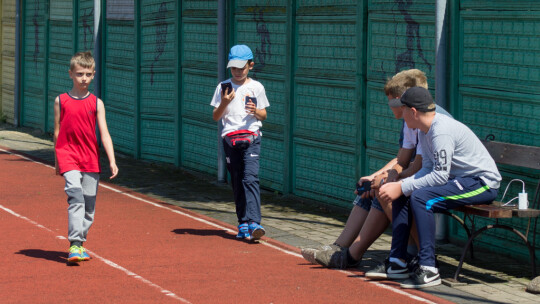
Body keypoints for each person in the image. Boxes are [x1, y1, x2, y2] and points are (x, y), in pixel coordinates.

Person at [303, 69, 443, 268]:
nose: (389, 106)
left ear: (402, 102)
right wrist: (376, 176)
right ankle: (339, 247)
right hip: (423, 175)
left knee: (384, 191)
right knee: (371, 187)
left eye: (392, 101)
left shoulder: (424, 118)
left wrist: (388, 179)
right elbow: (402, 158)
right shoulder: (409, 120)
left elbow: (421, 165)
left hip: (440, 180)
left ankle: (418, 254)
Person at [367, 86, 501, 288]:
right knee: (405, 194)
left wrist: (402, 186)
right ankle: (397, 262)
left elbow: (439, 176)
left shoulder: (441, 131)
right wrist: (401, 185)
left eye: (403, 109)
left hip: (482, 183)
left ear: (412, 112)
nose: (401, 114)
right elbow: (427, 169)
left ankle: (429, 268)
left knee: (421, 197)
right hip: (459, 180)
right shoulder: (424, 130)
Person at [54, 51, 119, 263]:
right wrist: (57, 161)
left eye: (88, 74)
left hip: (90, 159)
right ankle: (74, 244)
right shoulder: (61, 101)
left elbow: (105, 133)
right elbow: (57, 132)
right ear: (70, 74)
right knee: (76, 198)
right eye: (79, 73)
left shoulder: (97, 103)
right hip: (68, 156)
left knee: (89, 207)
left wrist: (112, 160)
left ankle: (80, 243)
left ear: (93, 75)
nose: (84, 78)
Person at [211, 45, 270, 241]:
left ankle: (255, 223)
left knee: (250, 178)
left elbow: (264, 114)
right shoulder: (223, 87)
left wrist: (255, 111)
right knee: (237, 180)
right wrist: (225, 102)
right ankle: (243, 222)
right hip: (230, 139)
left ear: (250, 66)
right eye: (234, 68)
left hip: (252, 138)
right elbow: (216, 116)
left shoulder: (257, 87)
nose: (237, 72)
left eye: (241, 68)